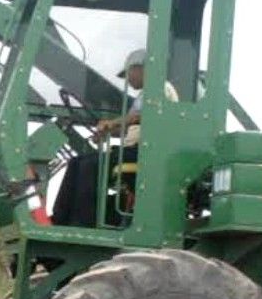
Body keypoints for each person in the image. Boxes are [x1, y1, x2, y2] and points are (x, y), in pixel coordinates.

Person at [51, 49, 179, 227]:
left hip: (147, 151)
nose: (128, 79)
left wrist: (111, 124)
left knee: (91, 165)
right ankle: (60, 219)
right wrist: (107, 132)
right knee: (76, 162)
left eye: (129, 73)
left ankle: (84, 222)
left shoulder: (160, 88)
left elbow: (138, 117)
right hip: (135, 148)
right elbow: (132, 126)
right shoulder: (144, 95)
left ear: (141, 68)